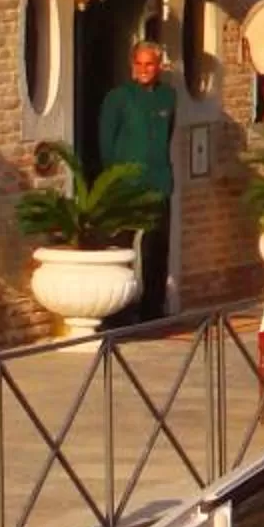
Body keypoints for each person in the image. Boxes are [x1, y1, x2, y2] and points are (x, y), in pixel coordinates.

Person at [99, 38, 178, 318]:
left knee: (156, 248)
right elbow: (106, 142)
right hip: (126, 185)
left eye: (149, 64)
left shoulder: (168, 97)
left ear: (159, 66)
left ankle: (152, 310)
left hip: (158, 182)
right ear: (132, 65)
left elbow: (167, 134)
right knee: (121, 247)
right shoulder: (118, 98)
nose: (144, 69)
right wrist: (115, 179)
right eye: (139, 64)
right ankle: (118, 311)